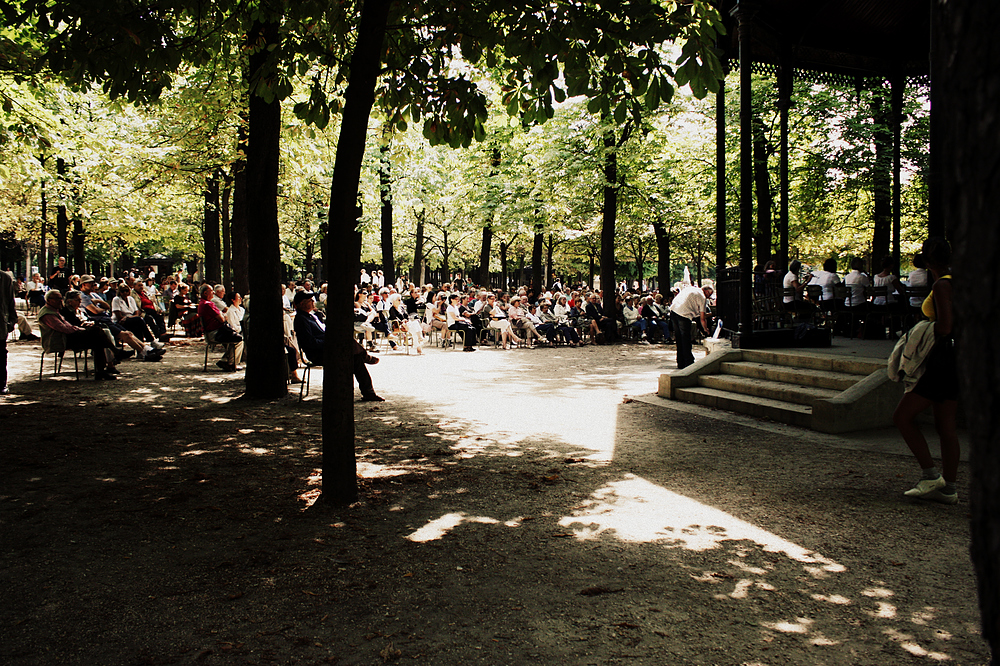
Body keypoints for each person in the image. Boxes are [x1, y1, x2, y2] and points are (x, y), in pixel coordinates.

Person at [892, 237, 959, 505]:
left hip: (941, 360)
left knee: (902, 416)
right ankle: (949, 487)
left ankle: (931, 474)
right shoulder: (959, 281)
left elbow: (944, 326)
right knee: (947, 426)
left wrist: (922, 329)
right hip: (955, 360)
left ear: (928, 261)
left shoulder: (942, 284)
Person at [293, 291, 384, 401]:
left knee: (355, 356)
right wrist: (331, 343)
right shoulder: (301, 319)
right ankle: (367, 383)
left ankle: (368, 391)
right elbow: (310, 342)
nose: (314, 302)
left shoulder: (312, 316)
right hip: (318, 353)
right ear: (302, 304)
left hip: (328, 349)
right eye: (310, 301)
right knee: (352, 352)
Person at [37, 290, 118, 380]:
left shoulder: (55, 310)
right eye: (57, 299)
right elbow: (64, 328)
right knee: (97, 331)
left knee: (98, 339)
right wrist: (80, 329)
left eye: (61, 298)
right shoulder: (48, 314)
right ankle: (115, 353)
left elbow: (68, 325)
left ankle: (101, 371)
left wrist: (79, 329)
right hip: (59, 341)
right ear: (49, 300)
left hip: (67, 336)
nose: (60, 301)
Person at [198, 284, 242, 371]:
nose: (213, 293)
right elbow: (222, 319)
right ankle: (231, 363)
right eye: (211, 291)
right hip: (215, 333)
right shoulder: (208, 304)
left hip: (212, 332)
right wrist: (222, 316)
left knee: (235, 336)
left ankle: (226, 360)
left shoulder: (202, 303)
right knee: (239, 340)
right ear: (205, 293)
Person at [670, 284, 712, 369]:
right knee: (685, 339)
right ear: (706, 291)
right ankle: (688, 361)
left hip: (673, 311)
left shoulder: (689, 288)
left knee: (679, 338)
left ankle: (680, 362)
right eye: (709, 295)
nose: (708, 297)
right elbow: (702, 318)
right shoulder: (702, 297)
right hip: (684, 315)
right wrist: (705, 329)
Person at [0, 269, 16, 394]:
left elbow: (10, 300)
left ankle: (2, 384)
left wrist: (12, 320)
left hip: (1, 324)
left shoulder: (4, 278)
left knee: (1, 354)